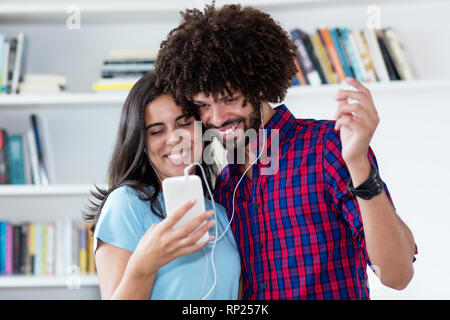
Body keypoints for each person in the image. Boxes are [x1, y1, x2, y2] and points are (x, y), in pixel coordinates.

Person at [154, 4, 417, 299]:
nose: (216, 118)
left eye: (229, 98)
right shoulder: (225, 184)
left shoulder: (328, 147)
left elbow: (397, 274)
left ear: (260, 85)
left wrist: (358, 165)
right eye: (203, 105)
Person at [83, 72, 241, 300]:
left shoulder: (222, 212)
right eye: (157, 131)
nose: (174, 138)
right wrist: (145, 264)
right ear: (141, 143)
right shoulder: (126, 205)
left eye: (184, 123)